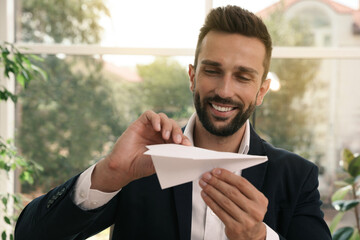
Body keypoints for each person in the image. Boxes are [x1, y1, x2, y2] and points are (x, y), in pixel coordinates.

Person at [15, 5, 331, 240]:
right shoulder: (143, 160)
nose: (224, 89)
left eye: (243, 77)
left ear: (261, 90)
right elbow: (32, 235)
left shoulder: (297, 177)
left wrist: (260, 238)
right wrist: (109, 173)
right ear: (192, 76)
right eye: (212, 70)